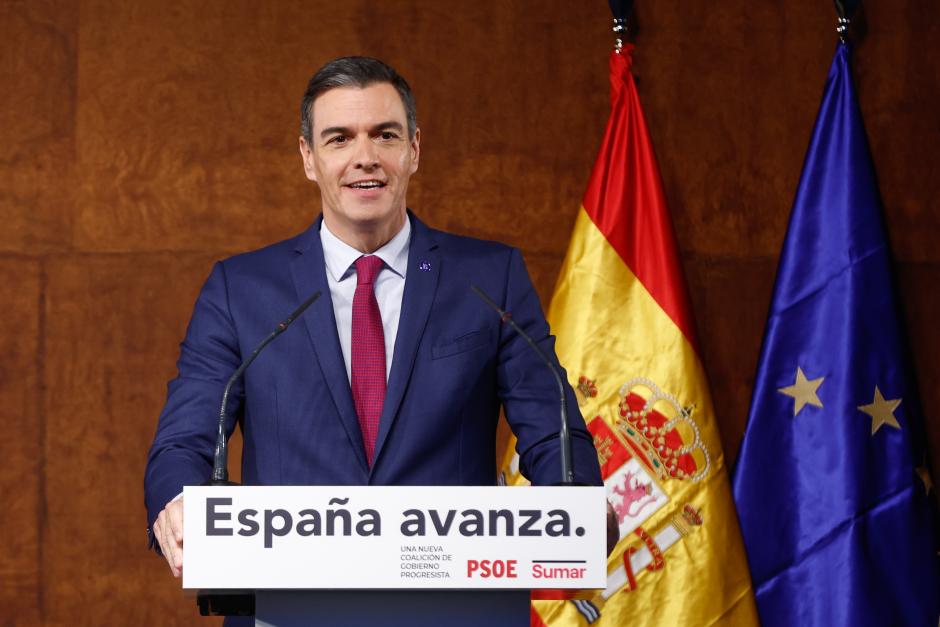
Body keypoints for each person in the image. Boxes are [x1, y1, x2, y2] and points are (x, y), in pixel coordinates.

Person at [144, 56, 603, 623]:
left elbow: (550, 428)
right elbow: (184, 439)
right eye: (340, 138)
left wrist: (576, 499)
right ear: (309, 159)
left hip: (454, 608)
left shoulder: (489, 278)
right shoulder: (241, 289)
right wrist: (180, 500)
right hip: (290, 610)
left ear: (413, 149)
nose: (365, 156)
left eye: (384, 135)